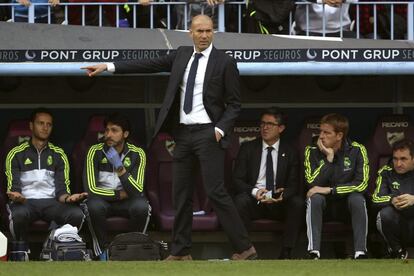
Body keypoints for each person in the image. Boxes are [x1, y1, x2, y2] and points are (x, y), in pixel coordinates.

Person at [82, 14, 256, 261]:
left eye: (208, 31)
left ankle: (245, 248)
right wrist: (109, 67)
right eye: (199, 31)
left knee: (216, 192)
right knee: (181, 194)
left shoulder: (224, 61)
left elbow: (235, 104)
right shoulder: (182, 55)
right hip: (183, 135)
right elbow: (148, 64)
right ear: (191, 33)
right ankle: (181, 252)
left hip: (209, 133)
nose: (204, 35)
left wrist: (219, 129)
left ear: (213, 32)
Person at [5, 108, 86, 261]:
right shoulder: (16, 153)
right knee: (18, 214)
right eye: (40, 123)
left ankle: (54, 245)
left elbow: (62, 190)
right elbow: (13, 188)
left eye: (49, 124)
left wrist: (69, 199)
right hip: (25, 202)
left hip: (52, 202)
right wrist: (18, 197)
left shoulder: (59, 154)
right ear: (31, 126)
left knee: (76, 214)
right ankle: (21, 250)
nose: (45, 127)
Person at [233, 107, 304, 259]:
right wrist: (254, 191)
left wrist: (282, 195)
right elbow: (237, 180)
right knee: (240, 200)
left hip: (279, 202)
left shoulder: (290, 151)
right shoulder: (248, 148)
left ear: (281, 128)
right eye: (263, 123)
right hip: (255, 201)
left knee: (297, 203)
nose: (265, 127)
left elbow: (294, 185)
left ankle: (286, 252)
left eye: (270, 124)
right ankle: (245, 250)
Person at [83, 113, 150, 261]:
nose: (109, 135)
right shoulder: (94, 151)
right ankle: (101, 252)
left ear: (125, 134)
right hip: (102, 201)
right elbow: (91, 189)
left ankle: (132, 250)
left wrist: (120, 168)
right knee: (92, 206)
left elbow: (137, 190)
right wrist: (119, 195)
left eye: (114, 130)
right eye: (106, 130)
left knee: (142, 206)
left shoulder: (137, 154)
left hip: (128, 202)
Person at [304, 113, 369, 259]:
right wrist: (329, 159)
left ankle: (360, 252)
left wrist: (331, 190)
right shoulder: (312, 150)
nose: (321, 136)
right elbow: (312, 184)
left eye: (326, 132)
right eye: (320, 131)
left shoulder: (357, 150)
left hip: (346, 207)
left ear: (339, 135)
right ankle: (314, 252)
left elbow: (361, 184)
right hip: (324, 207)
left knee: (358, 199)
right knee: (315, 198)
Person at [372, 139, 414, 259]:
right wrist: (392, 200)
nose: (398, 163)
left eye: (403, 159)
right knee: (384, 214)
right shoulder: (386, 172)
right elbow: (376, 198)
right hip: (399, 223)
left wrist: (413, 199)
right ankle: (397, 251)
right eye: (395, 158)